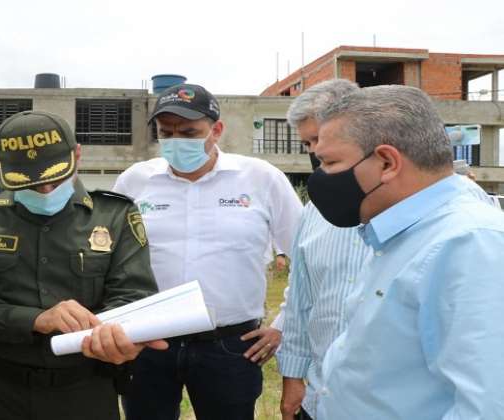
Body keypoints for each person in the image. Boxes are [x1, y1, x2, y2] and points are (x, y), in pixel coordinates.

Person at [0, 110, 163, 420]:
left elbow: (134, 296)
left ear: (77, 155)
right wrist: (35, 320)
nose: (45, 190)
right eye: (29, 182)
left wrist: (115, 336)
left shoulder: (114, 215)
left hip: (84, 393)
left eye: (55, 176)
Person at [309, 85, 504, 419]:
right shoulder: (401, 233)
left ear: (386, 162)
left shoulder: (470, 243)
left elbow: (486, 406)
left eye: (329, 162)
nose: (320, 176)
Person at [114, 83, 303, 420]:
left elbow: (305, 258)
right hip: (149, 342)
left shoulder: (261, 178)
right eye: (166, 132)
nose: (176, 141)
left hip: (230, 346)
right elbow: (113, 258)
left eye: (189, 131)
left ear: (217, 130)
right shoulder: (135, 181)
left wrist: (283, 324)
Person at [274, 79, 371, 420]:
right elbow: (300, 299)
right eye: (308, 142)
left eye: (321, 139)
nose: (316, 151)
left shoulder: (445, 212)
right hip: (320, 398)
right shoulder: (314, 212)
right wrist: (292, 376)